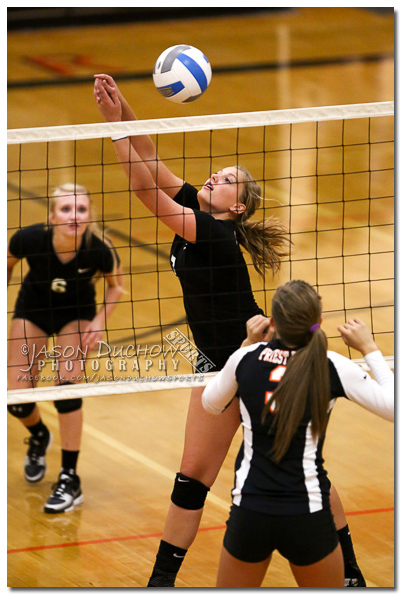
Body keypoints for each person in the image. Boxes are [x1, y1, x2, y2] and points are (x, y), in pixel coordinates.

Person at [93, 75, 366, 588]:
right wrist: (124, 108)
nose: (213, 178)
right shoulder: (201, 210)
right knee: (191, 479)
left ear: (236, 208)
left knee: (298, 464)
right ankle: (160, 584)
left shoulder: (212, 231)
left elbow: (141, 187)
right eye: (215, 174)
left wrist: (111, 128)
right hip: (217, 361)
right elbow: (151, 161)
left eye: (225, 181)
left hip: (259, 359)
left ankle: (349, 574)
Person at [202, 280, 394, 588]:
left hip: (251, 511)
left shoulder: (246, 359)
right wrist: (369, 348)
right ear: (316, 321)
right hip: (306, 514)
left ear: (273, 322)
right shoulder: (332, 365)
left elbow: (211, 405)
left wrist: (247, 345)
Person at [7, 183, 124, 513]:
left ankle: (69, 477)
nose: (74, 215)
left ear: (89, 216)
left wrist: (99, 320)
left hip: (76, 314)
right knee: (16, 398)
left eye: (81, 210)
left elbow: (117, 287)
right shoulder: (29, 239)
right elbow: (8, 264)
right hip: (34, 309)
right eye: (66, 209)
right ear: (52, 215)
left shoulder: (99, 248)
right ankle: (39, 435)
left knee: (67, 387)